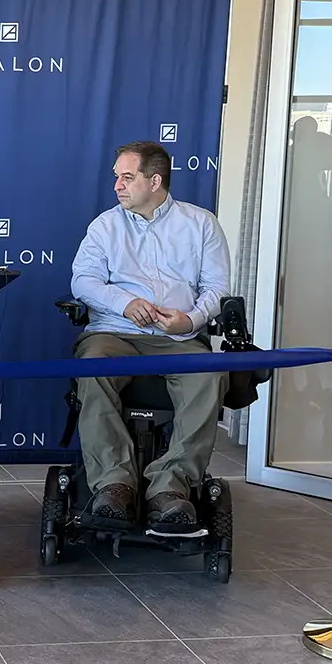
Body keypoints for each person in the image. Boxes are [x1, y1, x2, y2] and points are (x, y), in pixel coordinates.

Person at [68, 141, 230, 536]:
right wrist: (124, 303)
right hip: (115, 333)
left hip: (177, 337)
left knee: (210, 376)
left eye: (127, 177)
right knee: (91, 369)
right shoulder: (105, 225)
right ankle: (114, 484)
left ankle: (170, 489)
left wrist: (189, 318)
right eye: (117, 178)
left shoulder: (201, 224)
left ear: (154, 181)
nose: (117, 186)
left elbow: (217, 288)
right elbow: (82, 280)